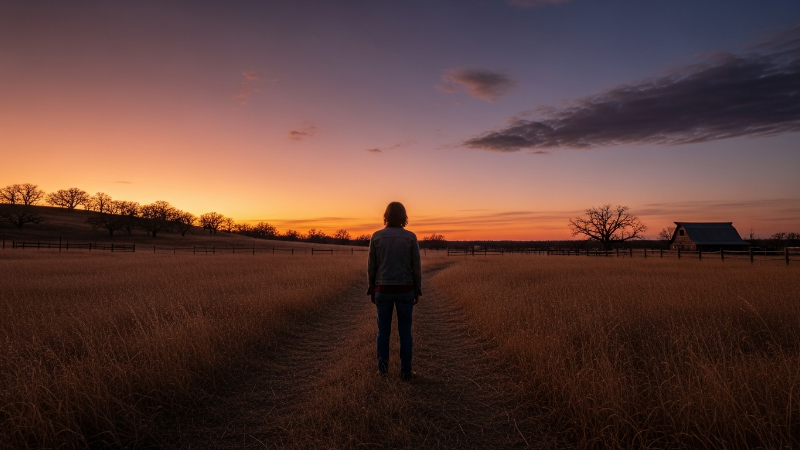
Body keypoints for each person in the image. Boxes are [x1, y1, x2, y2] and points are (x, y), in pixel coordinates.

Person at [367, 201, 422, 381]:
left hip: (382, 289)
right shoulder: (411, 237)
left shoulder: (376, 237)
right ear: (403, 216)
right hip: (405, 289)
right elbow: (416, 267)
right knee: (405, 332)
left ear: (386, 216)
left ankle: (382, 372)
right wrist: (417, 289)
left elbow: (371, 267)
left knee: (383, 332)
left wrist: (372, 289)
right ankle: (406, 372)